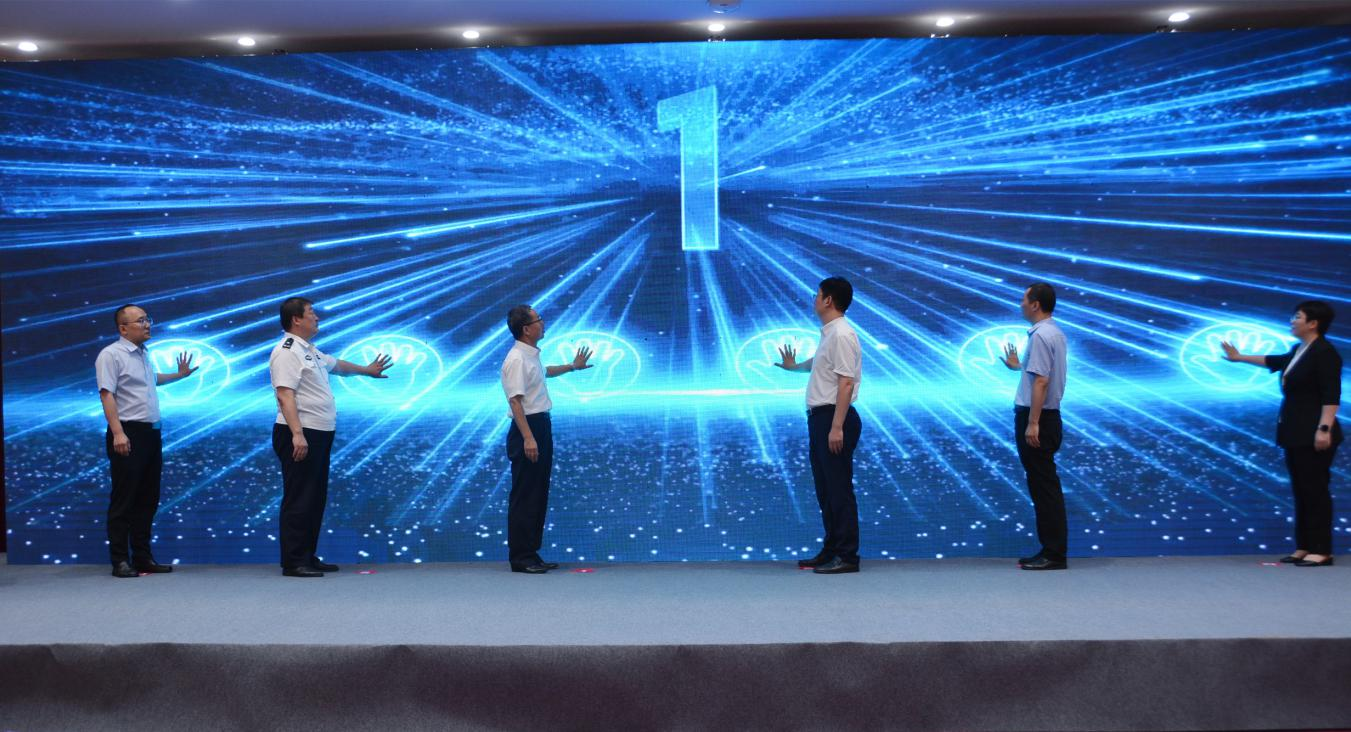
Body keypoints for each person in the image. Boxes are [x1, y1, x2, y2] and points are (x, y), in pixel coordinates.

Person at [269, 297, 392, 577]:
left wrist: (367, 371)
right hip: (300, 432)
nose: (317, 317)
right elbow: (284, 394)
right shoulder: (287, 351)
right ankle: (294, 561)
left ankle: (307, 555)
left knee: (314, 497)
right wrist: (297, 434)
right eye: (311, 313)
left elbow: (337, 365)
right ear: (296, 319)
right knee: (300, 497)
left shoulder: (309, 350)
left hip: (319, 432)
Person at [1222, 301, 1342, 567]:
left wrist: (1324, 428)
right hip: (1295, 431)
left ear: (1313, 323)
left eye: (1298, 317)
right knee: (1302, 489)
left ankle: (1322, 550)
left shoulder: (1325, 352)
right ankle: (1304, 546)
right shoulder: (1299, 350)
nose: (1292, 321)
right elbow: (1274, 361)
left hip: (1315, 432)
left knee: (1315, 490)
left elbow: (1331, 394)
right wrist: (1239, 357)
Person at [95, 304, 197, 578]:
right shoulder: (111, 355)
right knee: (124, 499)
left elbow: (151, 381)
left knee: (147, 499)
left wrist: (179, 375)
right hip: (128, 432)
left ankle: (142, 557)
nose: (147, 324)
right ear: (123, 328)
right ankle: (120, 560)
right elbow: (107, 394)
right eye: (140, 321)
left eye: (147, 319)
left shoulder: (143, 353)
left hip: (151, 434)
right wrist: (118, 432)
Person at [776, 277, 864, 574]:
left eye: (818, 295)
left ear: (828, 300)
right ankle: (831, 549)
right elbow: (819, 363)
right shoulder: (830, 333)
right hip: (821, 418)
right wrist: (794, 367)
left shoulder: (841, 334)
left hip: (833, 418)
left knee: (838, 489)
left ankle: (847, 556)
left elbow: (846, 382)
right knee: (826, 489)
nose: (814, 299)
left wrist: (837, 427)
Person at [500, 305, 592, 574]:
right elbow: (515, 401)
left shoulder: (530, 355)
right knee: (525, 494)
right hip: (527, 428)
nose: (543, 323)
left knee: (537, 492)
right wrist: (528, 438)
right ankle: (520, 557)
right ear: (526, 329)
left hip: (539, 425)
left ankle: (531, 552)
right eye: (538, 320)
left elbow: (545, 373)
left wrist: (572, 367)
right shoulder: (516, 359)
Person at [1001, 283, 1070, 570]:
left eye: (1024, 299)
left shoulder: (1041, 335)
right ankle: (1050, 549)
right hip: (1048, 416)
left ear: (1036, 304)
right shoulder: (1054, 333)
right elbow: (1039, 374)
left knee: (1044, 486)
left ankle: (1054, 553)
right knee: (1044, 484)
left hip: (1039, 417)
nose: (1020, 304)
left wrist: (1032, 422)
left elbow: (1042, 381)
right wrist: (1018, 366)